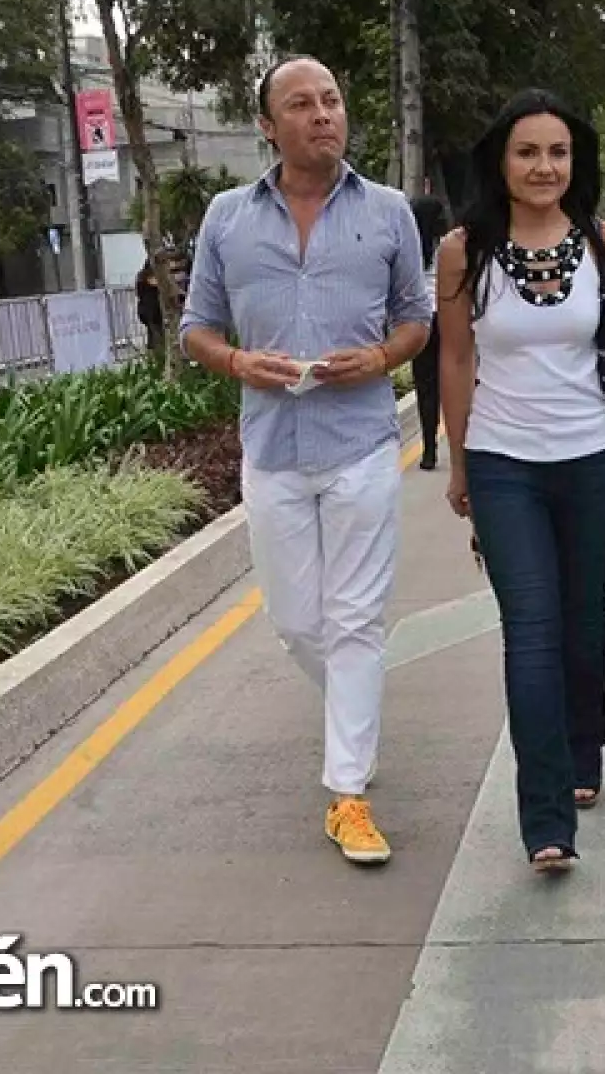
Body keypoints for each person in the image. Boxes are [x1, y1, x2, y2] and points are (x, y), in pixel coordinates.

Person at [180, 55, 431, 866]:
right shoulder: (225, 218)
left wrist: (383, 357)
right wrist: (236, 363)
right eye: (302, 104)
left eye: (332, 99)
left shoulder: (389, 212)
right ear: (268, 126)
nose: (324, 114)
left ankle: (347, 793)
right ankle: (352, 725)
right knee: (295, 623)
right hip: (272, 448)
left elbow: (417, 319)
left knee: (355, 618)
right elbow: (196, 328)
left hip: (360, 441)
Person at [436, 89, 605, 873]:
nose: (543, 167)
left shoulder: (604, 244)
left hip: (589, 457)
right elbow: (455, 358)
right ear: (501, 160)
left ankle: (584, 750)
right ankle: (546, 820)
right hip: (503, 464)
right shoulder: (464, 250)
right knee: (531, 629)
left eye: (557, 152)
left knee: (581, 619)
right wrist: (458, 461)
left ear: (575, 161)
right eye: (527, 152)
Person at [410, 193, 449, 470]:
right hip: (449, 319)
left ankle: (429, 450)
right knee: (457, 382)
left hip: (420, 322)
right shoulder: (449, 245)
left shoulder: (409, 247)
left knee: (426, 387)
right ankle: (463, 444)